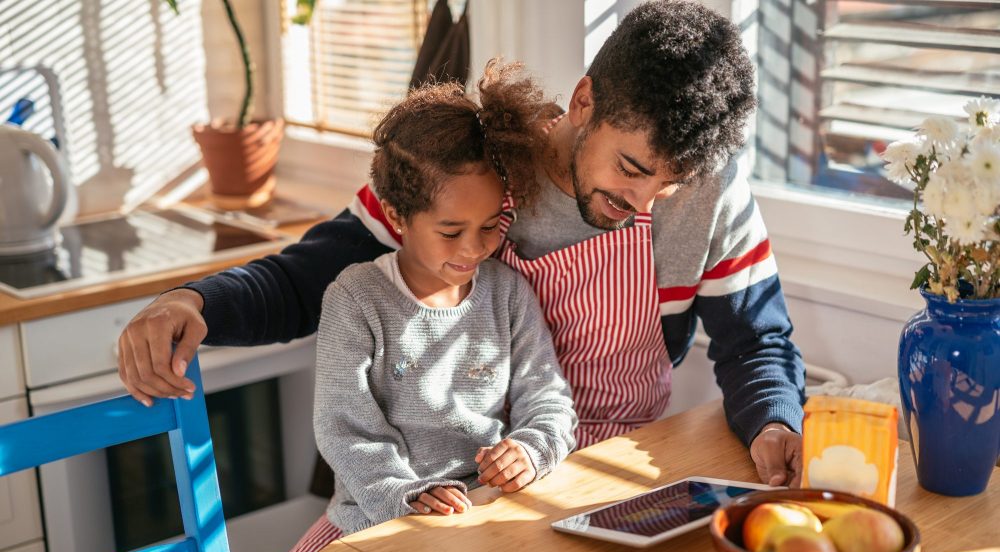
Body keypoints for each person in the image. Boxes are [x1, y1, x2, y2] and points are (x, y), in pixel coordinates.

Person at [118, 0, 805, 493]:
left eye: (671, 183)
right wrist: (199, 300)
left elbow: (757, 344)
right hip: (467, 478)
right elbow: (307, 278)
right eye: (630, 169)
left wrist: (775, 421)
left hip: (607, 478)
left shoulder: (710, 191)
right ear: (585, 100)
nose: (643, 207)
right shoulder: (476, 167)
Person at [280, 64, 577, 552]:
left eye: (489, 225)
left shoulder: (507, 293)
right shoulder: (355, 299)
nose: (475, 248)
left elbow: (548, 401)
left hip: (483, 513)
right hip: (374, 516)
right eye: (450, 231)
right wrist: (404, 496)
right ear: (396, 216)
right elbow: (345, 429)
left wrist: (529, 449)